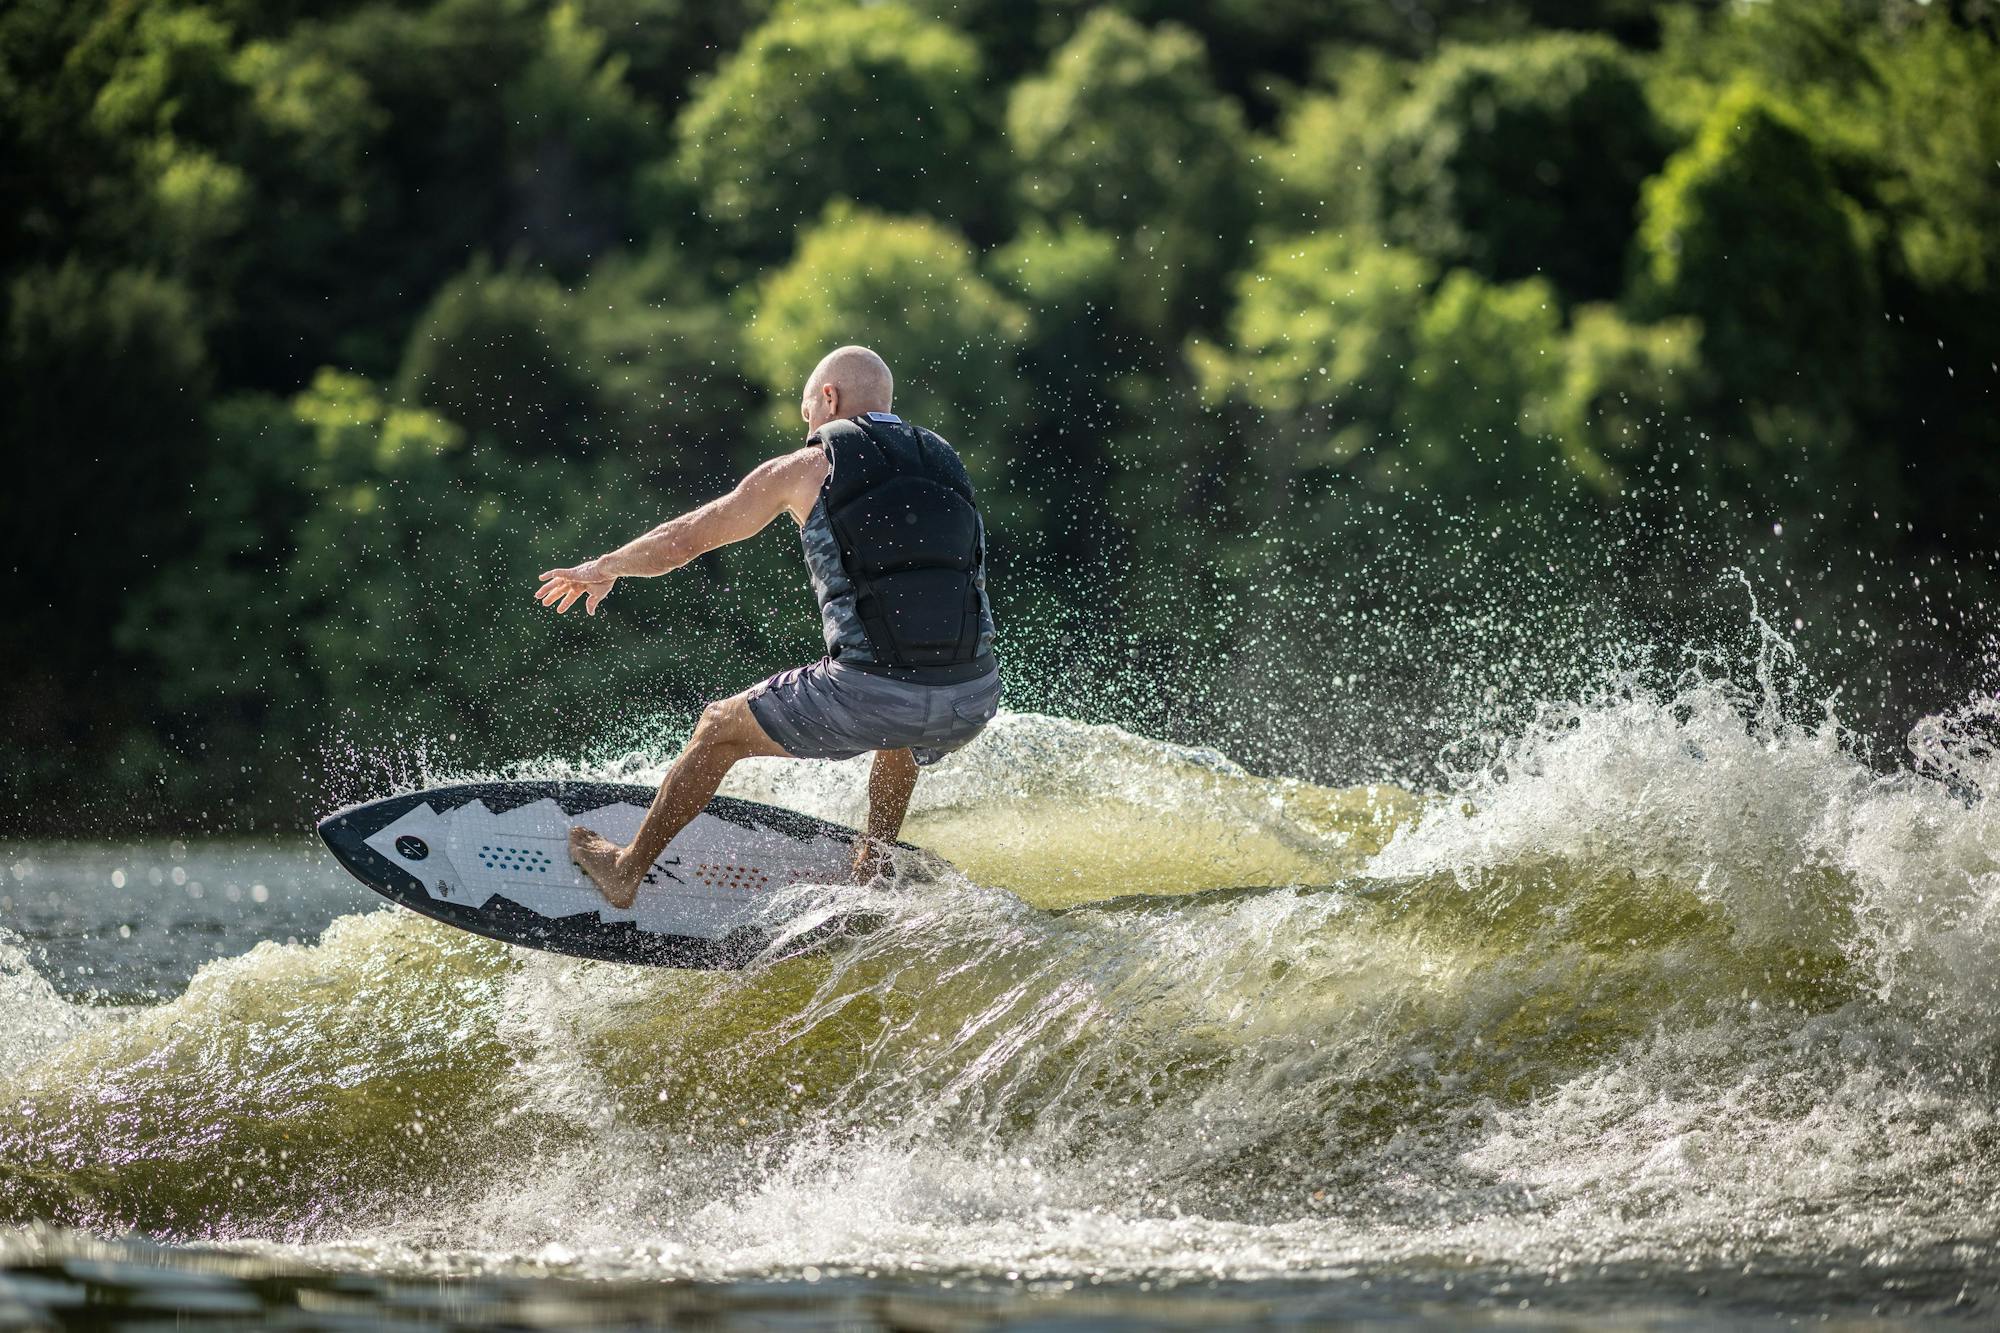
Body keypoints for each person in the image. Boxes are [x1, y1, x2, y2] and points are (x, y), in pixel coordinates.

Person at [534, 346, 1000, 906]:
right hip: (971, 699)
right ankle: (873, 863)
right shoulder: (946, 462)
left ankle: (625, 869)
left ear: (829, 398)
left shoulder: (810, 467)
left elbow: (686, 538)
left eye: (808, 412)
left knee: (718, 728)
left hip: (876, 694)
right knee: (901, 695)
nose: (809, 426)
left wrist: (602, 567)